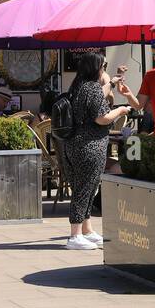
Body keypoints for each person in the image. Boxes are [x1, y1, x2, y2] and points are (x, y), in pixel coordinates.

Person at [55, 51, 131, 251]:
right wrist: (122, 111)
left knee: (87, 188)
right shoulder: (92, 88)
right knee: (84, 189)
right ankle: (75, 236)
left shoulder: (79, 86)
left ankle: (86, 230)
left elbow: (98, 96)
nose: (104, 70)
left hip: (73, 145)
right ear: (95, 68)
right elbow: (102, 118)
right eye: (103, 66)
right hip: (90, 146)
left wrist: (113, 82)